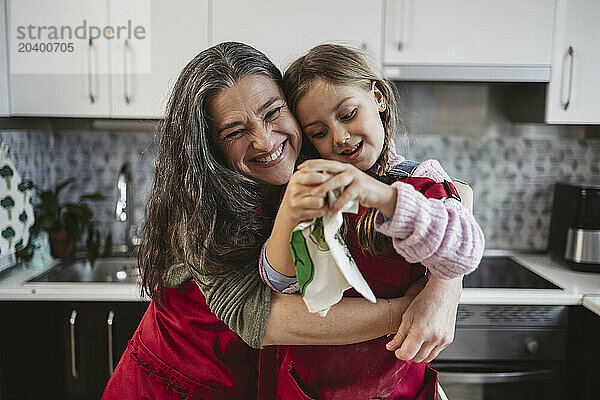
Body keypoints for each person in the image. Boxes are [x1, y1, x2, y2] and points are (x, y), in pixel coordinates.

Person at [102, 42, 464, 400]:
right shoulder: (198, 206)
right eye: (235, 132)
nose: (265, 140)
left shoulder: (312, 158)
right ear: (208, 147)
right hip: (175, 386)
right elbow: (261, 316)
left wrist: (443, 289)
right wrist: (415, 312)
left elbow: (453, 194)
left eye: (273, 112)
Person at [258, 44, 485, 399]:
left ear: (378, 97)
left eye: (348, 114)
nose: (339, 137)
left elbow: (463, 251)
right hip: (307, 388)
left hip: (395, 386)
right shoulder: (310, 188)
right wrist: (290, 214)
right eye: (318, 132)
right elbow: (280, 283)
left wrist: (382, 196)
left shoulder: (421, 180)